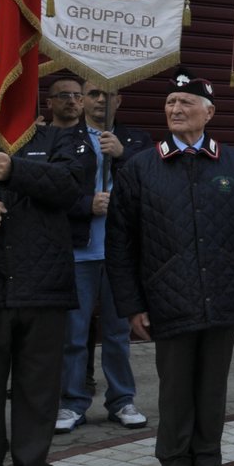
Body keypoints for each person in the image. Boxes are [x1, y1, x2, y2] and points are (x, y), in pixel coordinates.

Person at [108, 70, 234, 466]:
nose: (176, 110)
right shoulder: (142, 168)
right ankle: (174, 462)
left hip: (224, 295)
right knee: (175, 386)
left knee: (213, 384)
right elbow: (120, 242)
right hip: (167, 298)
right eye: (170, 104)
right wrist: (131, 303)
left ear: (209, 112)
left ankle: (209, 459)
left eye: (186, 103)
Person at [0, 107, 90, 466]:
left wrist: (13, 169)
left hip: (42, 286)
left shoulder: (57, 139)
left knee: (38, 393)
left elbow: (70, 186)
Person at [57, 79, 148, 433]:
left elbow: (152, 185)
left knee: (116, 333)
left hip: (120, 253)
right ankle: (72, 403)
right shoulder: (63, 138)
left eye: (107, 94)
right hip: (79, 251)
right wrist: (86, 205)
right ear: (81, 101)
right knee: (74, 334)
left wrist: (122, 156)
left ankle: (122, 399)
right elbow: (53, 192)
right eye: (92, 94)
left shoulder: (138, 141)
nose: (99, 100)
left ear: (119, 100)